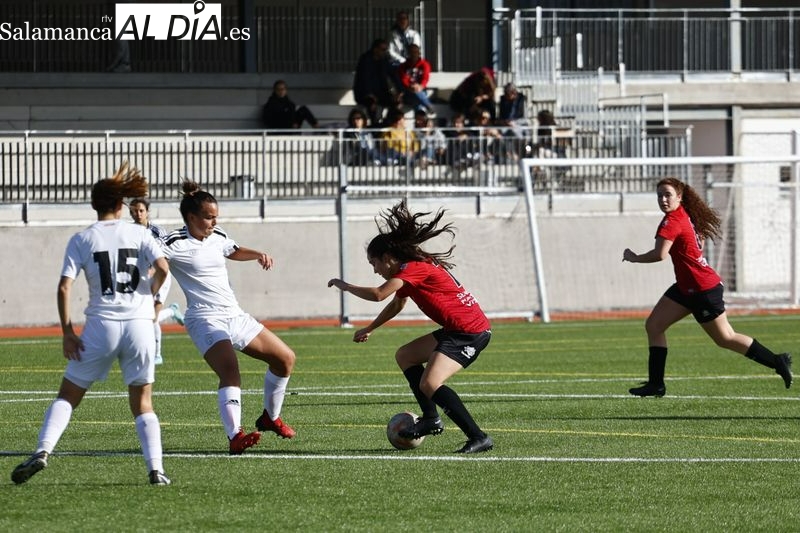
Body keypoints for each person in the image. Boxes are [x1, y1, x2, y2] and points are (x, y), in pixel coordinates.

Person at [11, 162, 171, 485]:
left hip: (101, 325)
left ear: (94, 205)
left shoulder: (82, 239)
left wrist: (68, 332)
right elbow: (164, 269)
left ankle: (42, 452)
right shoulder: (139, 232)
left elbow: (63, 287)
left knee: (68, 395)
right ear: (120, 205)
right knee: (142, 403)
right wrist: (147, 295)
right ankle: (156, 471)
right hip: (140, 324)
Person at [327, 200, 494, 454]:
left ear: (387, 258)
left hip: (469, 332)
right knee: (405, 355)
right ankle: (431, 419)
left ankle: (478, 436)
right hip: (457, 329)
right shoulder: (409, 270)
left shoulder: (413, 268)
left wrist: (346, 286)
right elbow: (397, 304)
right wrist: (371, 327)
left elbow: (379, 294)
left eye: (374, 264)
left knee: (430, 383)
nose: (374, 270)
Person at [622, 177, 792, 397]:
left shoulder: (671, 221)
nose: (663, 200)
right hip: (686, 287)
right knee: (654, 325)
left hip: (702, 289)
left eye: (668, 195)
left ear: (679, 197)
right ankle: (656, 384)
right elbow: (696, 239)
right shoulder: (682, 215)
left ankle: (777, 361)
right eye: (659, 195)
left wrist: (634, 257)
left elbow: (660, 254)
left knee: (725, 338)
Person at [161, 181, 297, 455]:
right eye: (209, 217)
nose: (214, 222)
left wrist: (257, 254)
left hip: (234, 314)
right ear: (191, 218)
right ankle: (235, 435)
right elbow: (155, 259)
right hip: (204, 318)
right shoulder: (174, 242)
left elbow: (231, 249)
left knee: (285, 359)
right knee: (230, 371)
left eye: (216, 217)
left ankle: (270, 417)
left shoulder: (217, 234)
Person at [129, 197, 185, 365]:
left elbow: (162, 258)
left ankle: (157, 355)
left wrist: (153, 269)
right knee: (144, 316)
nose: (138, 214)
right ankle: (172, 312)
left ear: (147, 212)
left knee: (151, 317)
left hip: (160, 275)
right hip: (140, 277)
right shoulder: (128, 232)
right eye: (134, 211)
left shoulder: (157, 232)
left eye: (141, 210)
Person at [353, 39, 398, 127]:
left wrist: (399, 92)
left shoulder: (384, 60)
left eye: (386, 50)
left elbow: (393, 75)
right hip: (364, 93)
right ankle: (375, 127)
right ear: (375, 49)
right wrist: (369, 94)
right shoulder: (365, 60)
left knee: (395, 103)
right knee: (373, 106)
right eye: (383, 49)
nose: (384, 52)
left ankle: (386, 124)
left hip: (380, 93)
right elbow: (364, 79)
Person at [497, 82, 531, 159]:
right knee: (502, 135)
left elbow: (525, 117)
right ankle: (509, 153)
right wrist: (505, 122)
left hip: (520, 123)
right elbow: (501, 115)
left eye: (509, 95)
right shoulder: (503, 99)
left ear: (514, 93)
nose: (507, 97)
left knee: (525, 138)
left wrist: (514, 123)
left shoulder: (521, 99)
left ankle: (528, 152)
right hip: (507, 124)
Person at [397, 44, 433, 113]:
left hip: (421, 91)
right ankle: (428, 105)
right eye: (411, 52)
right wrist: (411, 86)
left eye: (416, 52)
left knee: (417, 99)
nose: (413, 54)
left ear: (419, 53)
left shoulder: (424, 64)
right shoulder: (403, 66)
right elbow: (404, 79)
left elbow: (425, 78)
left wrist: (420, 86)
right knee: (416, 95)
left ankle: (420, 119)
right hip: (407, 92)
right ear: (408, 53)